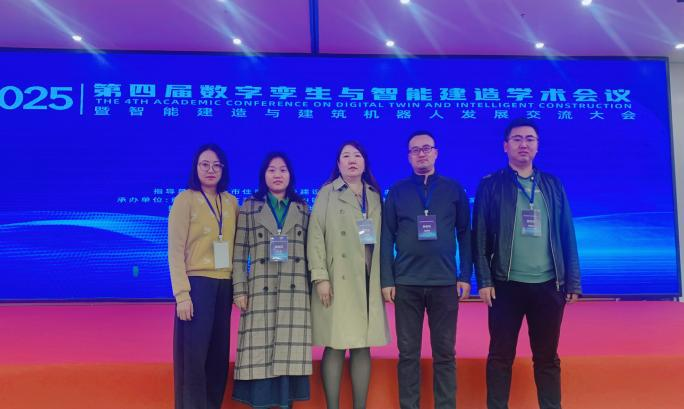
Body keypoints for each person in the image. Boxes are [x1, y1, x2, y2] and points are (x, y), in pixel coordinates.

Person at [473, 118, 582, 409]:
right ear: (505, 146)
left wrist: (572, 280)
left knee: (547, 358)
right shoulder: (491, 185)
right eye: (517, 139)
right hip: (505, 286)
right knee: (500, 357)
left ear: (537, 146)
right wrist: (484, 280)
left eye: (530, 139)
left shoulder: (552, 184)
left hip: (548, 286)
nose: (524, 144)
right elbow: (479, 236)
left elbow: (567, 233)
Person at [380, 131, 472, 409]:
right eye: (415, 150)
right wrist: (387, 279)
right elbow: (386, 237)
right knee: (408, 354)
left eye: (426, 148)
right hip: (406, 283)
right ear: (408, 157)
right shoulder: (397, 191)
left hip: (444, 282)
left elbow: (465, 234)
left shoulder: (453, 189)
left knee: (445, 353)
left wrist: (464, 276)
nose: (421, 153)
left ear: (436, 153)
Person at [307, 141, 390, 409]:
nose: (352, 160)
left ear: (365, 162)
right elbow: (315, 236)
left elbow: (384, 239)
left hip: (366, 278)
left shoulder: (374, 195)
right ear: (338, 163)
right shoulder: (327, 193)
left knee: (362, 344)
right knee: (335, 343)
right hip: (337, 278)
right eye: (346, 156)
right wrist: (320, 277)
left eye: (357, 155)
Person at [231, 152, 312, 408]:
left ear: (290, 175)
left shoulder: (302, 208)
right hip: (259, 289)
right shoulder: (249, 207)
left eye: (283, 170)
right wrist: (239, 289)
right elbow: (239, 253)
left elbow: (311, 252)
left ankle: (285, 403)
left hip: (294, 291)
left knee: (288, 353)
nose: (277, 175)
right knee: (260, 351)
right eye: (272, 170)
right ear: (263, 175)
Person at [168, 143, 238, 409]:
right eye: (205, 164)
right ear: (196, 168)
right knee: (194, 359)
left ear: (223, 169)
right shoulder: (184, 200)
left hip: (224, 285)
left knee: (218, 356)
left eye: (216, 165)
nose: (211, 170)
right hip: (196, 286)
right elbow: (175, 251)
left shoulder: (231, 202)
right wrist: (182, 294)